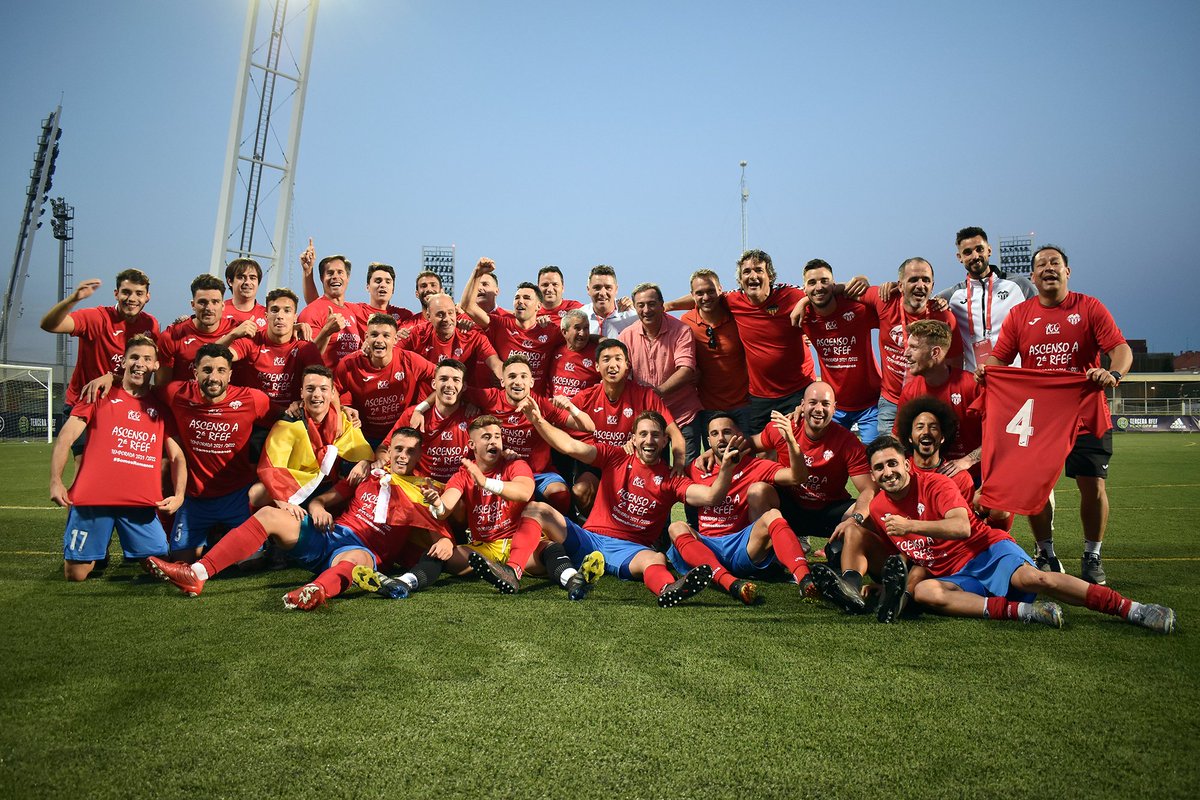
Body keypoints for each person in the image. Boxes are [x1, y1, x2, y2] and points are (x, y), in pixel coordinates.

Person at [814, 436, 1175, 633]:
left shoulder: (935, 484)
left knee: (1038, 578)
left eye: (893, 463)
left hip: (986, 551)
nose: (888, 472)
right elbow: (910, 555)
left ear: (906, 463)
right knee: (924, 591)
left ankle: (1132, 610)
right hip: (953, 575)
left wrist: (912, 526)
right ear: (873, 476)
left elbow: (962, 527)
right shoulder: (877, 507)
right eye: (880, 468)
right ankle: (1023, 614)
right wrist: (893, 582)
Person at [147, 430, 446, 610]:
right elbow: (323, 500)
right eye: (399, 449)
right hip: (328, 535)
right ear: (389, 450)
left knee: (353, 560)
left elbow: (440, 532)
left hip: (361, 552)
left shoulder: (424, 490)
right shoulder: (367, 474)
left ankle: (314, 591)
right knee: (267, 514)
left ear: (420, 453)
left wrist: (444, 540)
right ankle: (197, 574)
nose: (404, 455)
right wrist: (317, 507)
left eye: (411, 450)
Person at [487, 406, 739, 607]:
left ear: (664, 442)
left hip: (630, 551)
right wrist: (538, 420)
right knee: (536, 510)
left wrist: (726, 469)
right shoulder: (616, 456)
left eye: (655, 435)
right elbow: (569, 446)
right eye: (643, 434)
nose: (649, 440)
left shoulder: (672, 478)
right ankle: (512, 572)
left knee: (656, 557)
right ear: (634, 439)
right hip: (590, 539)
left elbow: (709, 497)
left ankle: (667, 589)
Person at [984, 244, 1132, 585]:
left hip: (1085, 414)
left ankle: (1092, 554)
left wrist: (1113, 374)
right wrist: (987, 372)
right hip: (1040, 421)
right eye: (1041, 265)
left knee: (1092, 486)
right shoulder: (1021, 314)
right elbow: (999, 359)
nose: (1048, 268)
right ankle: (1045, 551)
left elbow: (1120, 349)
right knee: (1035, 488)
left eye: (1055, 262)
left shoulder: (1090, 307)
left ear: (1067, 271)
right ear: (1033, 277)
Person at [358, 415, 604, 600]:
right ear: (472, 445)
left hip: (520, 542)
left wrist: (485, 482)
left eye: (497, 436)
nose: (494, 441)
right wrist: (435, 504)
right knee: (439, 553)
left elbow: (524, 492)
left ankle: (574, 582)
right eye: (486, 437)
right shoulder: (462, 475)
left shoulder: (514, 464)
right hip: (485, 550)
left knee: (550, 549)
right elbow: (445, 508)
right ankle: (403, 583)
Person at [50, 335, 186, 580]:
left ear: (156, 365)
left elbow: (177, 456)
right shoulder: (99, 394)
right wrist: (56, 481)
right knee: (75, 575)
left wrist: (179, 495)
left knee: (158, 566)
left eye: (147, 358)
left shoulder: (161, 406)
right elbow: (66, 437)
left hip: (138, 503)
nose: (139, 363)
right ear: (123, 361)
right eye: (134, 357)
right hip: (93, 500)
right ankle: (96, 552)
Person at [666, 410, 816, 604]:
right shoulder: (697, 467)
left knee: (772, 513)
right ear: (709, 441)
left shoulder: (755, 466)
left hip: (743, 547)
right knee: (676, 527)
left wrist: (791, 443)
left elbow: (798, 477)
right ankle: (732, 584)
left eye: (726, 432)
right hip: (708, 546)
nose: (720, 438)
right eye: (714, 434)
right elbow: (665, 487)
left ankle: (805, 580)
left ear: (739, 436)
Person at [161, 344, 274, 561]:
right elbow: (141, 392)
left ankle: (227, 537)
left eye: (221, 370)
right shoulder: (177, 393)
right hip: (195, 498)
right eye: (207, 370)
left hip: (237, 495)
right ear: (195, 372)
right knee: (181, 560)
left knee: (252, 563)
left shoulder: (252, 399)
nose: (214, 377)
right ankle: (217, 537)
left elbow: (284, 417)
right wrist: (111, 378)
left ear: (230, 374)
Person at [39, 268, 160, 456]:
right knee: (84, 465)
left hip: (119, 406)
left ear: (147, 297)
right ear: (116, 293)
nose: (132, 298)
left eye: (139, 293)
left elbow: (147, 367)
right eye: (126, 292)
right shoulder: (96, 318)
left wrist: (113, 377)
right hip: (85, 401)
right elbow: (49, 325)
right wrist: (73, 299)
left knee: (117, 468)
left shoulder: (151, 325)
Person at [755, 381, 874, 564]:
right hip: (790, 508)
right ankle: (764, 555)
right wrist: (713, 451)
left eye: (825, 404)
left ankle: (842, 555)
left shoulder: (848, 442)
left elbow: (868, 489)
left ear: (834, 408)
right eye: (813, 402)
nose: (819, 409)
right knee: (757, 492)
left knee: (871, 512)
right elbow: (749, 444)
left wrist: (856, 519)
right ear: (802, 405)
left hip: (829, 511)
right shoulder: (783, 429)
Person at [459, 354, 593, 515]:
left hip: (540, 473)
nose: (517, 381)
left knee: (560, 494)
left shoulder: (542, 404)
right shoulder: (491, 398)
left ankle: (559, 536)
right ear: (503, 381)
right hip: (505, 472)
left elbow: (589, 426)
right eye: (512, 376)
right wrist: (469, 403)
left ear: (531, 382)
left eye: (523, 376)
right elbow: (457, 390)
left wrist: (572, 408)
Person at [569, 338, 687, 514]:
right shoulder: (585, 398)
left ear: (627, 366)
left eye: (618, 359)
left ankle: (653, 535)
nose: (613, 365)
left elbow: (674, 433)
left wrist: (678, 462)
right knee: (580, 490)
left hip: (634, 464)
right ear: (596, 366)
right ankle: (592, 525)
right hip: (598, 461)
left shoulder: (645, 396)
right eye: (606, 359)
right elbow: (558, 424)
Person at [859, 257, 960, 436]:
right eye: (913, 279)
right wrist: (859, 279)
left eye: (926, 280)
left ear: (933, 286)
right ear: (900, 285)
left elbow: (955, 365)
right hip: (892, 402)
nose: (920, 285)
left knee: (927, 459)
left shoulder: (944, 317)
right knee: (889, 456)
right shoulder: (884, 300)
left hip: (929, 400)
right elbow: (840, 293)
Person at [254, 365, 375, 509]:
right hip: (296, 485)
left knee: (368, 474)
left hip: (329, 487)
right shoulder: (287, 424)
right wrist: (285, 502)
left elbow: (362, 451)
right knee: (256, 494)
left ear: (332, 393)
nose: (316, 394)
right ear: (301, 393)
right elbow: (271, 468)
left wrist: (364, 463)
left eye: (323, 389)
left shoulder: (342, 420)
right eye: (310, 389)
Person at [796, 259, 881, 444]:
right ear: (804, 289)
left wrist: (862, 280)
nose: (818, 287)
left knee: (875, 461)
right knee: (828, 461)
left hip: (870, 404)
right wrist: (802, 303)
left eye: (824, 281)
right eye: (812, 282)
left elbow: (888, 312)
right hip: (832, 406)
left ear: (833, 285)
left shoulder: (858, 309)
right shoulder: (804, 317)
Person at [619, 282, 703, 463]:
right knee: (655, 475)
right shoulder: (626, 336)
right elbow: (622, 376)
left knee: (688, 472)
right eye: (640, 305)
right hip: (649, 422)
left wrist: (656, 394)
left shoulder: (681, 330)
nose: (646, 309)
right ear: (635, 307)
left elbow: (686, 370)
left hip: (683, 414)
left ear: (662, 305)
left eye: (651, 304)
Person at [937, 227, 1036, 373]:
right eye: (967, 252)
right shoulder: (952, 296)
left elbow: (1046, 311)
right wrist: (896, 288)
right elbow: (917, 304)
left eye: (979, 249)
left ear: (989, 250)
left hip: (1012, 376)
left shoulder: (1019, 285)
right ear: (959, 257)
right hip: (973, 379)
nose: (975, 256)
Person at [333, 313, 438, 448]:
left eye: (386, 336)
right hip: (364, 436)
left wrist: (421, 408)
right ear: (366, 338)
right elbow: (331, 391)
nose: (379, 340)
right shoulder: (349, 364)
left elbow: (445, 379)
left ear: (395, 339)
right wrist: (340, 409)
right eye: (374, 335)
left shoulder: (410, 360)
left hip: (401, 436)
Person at [461, 258, 563, 394]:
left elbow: (579, 339)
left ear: (539, 306)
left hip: (536, 405)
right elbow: (467, 306)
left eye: (527, 298)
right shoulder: (502, 324)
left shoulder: (550, 330)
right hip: (506, 404)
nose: (521, 301)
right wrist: (477, 273)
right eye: (517, 298)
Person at [895, 320, 982, 478]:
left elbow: (998, 433)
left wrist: (967, 460)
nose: (906, 353)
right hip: (931, 479)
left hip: (974, 479)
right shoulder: (910, 391)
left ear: (935, 352)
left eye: (914, 347)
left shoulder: (972, 386)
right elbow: (899, 438)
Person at [222, 288, 327, 414]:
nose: (280, 316)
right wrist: (233, 334)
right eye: (274, 310)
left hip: (292, 418)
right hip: (256, 422)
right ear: (266, 316)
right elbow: (215, 356)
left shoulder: (305, 347)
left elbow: (324, 382)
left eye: (287, 311)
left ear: (295, 317)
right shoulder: (251, 341)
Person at [382, 359, 476, 485]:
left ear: (464, 386)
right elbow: (384, 448)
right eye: (443, 379)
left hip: (459, 488)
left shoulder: (473, 417)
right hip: (420, 487)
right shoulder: (413, 415)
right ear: (433, 384)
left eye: (456, 380)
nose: (449, 384)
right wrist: (371, 462)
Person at [680, 268, 750, 436]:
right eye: (699, 293)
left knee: (749, 457)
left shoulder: (737, 316)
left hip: (745, 405)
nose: (706, 298)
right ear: (692, 295)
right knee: (713, 461)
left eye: (711, 291)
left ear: (720, 290)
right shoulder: (686, 322)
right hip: (708, 408)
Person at [398, 293, 501, 386]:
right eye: (440, 314)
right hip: (424, 403)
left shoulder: (471, 334)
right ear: (429, 317)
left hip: (461, 401)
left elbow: (496, 364)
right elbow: (391, 355)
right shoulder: (417, 334)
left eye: (450, 313)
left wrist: (510, 379)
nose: (447, 319)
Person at [156, 274, 236, 386]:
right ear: (193, 305)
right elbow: (162, 387)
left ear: (222, 306)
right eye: (202, 302)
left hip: (224, 402)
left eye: (215, 302)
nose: (209, 308)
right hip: (183, 401)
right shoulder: (172, 335)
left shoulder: (235, 332)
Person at [296, 244, 364, 370]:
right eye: (330, 273)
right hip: (325, 385)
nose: (335, 276)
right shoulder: (312, 311)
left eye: (340, 272)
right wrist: (327, 331)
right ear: (322, 278)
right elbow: (305, 358)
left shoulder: (352, 311)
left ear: (347, 278)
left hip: (348, 387)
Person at [547, 309, 601, 400]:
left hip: (583, 412)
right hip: (554, 411)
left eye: (586, 328)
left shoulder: (598, 354)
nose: (582, 333)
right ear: (564, 332)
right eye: (577, 328)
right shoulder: (553, 351)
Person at [578, 264, 638, 338]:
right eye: (597, 287)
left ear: (616, 289)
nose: (602, 293)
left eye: (608, 287)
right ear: (588, 290)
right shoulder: (579, 317)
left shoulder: (631, 317)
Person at [353, 262, 418, 329]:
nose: (383, 285)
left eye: (388, 282)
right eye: (378, 281)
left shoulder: (406, 316)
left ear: (393, 289)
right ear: (368, 287)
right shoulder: (355, 311)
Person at [222, 258, 267, 330]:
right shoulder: (219, 312)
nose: (247, 282)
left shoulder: (268, 315)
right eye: (241, 277)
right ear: (230, 281)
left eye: (252, 278)